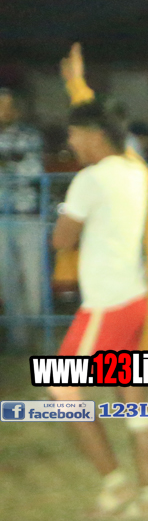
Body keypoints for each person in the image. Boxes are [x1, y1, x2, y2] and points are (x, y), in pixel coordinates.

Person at [47, 98, 148, 520]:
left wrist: (68, 221)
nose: (70, 143)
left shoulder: (90, 179)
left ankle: (116, 485)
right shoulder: (136, 172)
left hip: (107, 304)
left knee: (63, 390)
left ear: (94, 136)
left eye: (73, 135)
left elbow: (61, 239)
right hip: (137, 295)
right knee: (135, 397)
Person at [0, 85, 47, 349]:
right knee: (7, 281)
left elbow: (32, 171)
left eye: (7, 106)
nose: (3, 111)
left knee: (34, 280)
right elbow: (18, 166)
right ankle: (18, 340)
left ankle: (36, 332)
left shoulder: (29, 135)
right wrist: (12, 161)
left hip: (27, 216)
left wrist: (6, 164)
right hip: (1, 220)